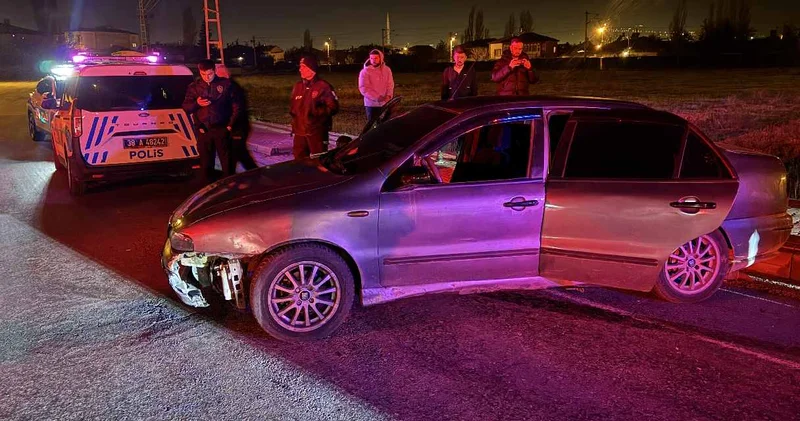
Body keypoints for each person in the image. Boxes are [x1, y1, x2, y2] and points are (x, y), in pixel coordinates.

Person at [182, 59, 242, 180]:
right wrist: (197, 103)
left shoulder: (225, 85)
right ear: (199, 72)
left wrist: (230, 125)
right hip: (204, 130)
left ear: (214, 71)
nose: (207, 77)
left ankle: (228, 189)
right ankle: (208, 189)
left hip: (222, 128)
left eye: (209, 74)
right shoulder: (194, 87)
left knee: (227, 164)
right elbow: (186, 107)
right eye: (203, 74)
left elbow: (237, 106)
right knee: (206, 165)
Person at [289, 54, 339, 160]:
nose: (300, 69)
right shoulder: (298, 87)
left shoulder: (323, 86)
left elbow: (333, 107)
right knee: (299, 161)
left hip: (317, 132)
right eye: (300, 66)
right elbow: (293, 107)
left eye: (303, 67)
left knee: (319, 161)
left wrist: (315, 115)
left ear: (311, 69)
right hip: (299, 131)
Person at [358, 49, 394, 122]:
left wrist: (389, 95)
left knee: (385, 124)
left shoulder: (387, 70)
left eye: (376, 58)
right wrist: (377, 97)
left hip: (385, 103)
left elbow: (390, 84)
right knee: (373, 126)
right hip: (371, 104)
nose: (373, 60)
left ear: (381, 58)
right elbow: (364, 88)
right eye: (371, 58)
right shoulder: (365, 72)